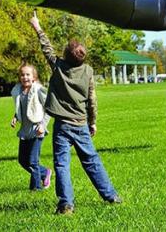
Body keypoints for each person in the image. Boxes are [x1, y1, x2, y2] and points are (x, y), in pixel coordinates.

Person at [30, 13, 121, 215]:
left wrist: (37, 27)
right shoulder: (88, 71)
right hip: (80, 124)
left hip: (62, 126)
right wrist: (93, 122)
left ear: (65, 55)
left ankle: (66, 204)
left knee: (62, 165)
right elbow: (92, 101)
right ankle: (111, 196)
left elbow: (47, 49)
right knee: (92, 161)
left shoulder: (59, 67)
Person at [10, 63, 52, 191]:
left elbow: (48, 108)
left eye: (28, 74)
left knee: (33, 162)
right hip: (25, 131)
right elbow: (21, 108)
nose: (25, 77)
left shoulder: (38, 90)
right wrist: (15, 117)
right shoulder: (18, 91)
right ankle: (45, 173)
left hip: (37, 130)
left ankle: (36, 188)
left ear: (34, 77)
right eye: (22, 75)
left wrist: (43, 125)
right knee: (23, 160)